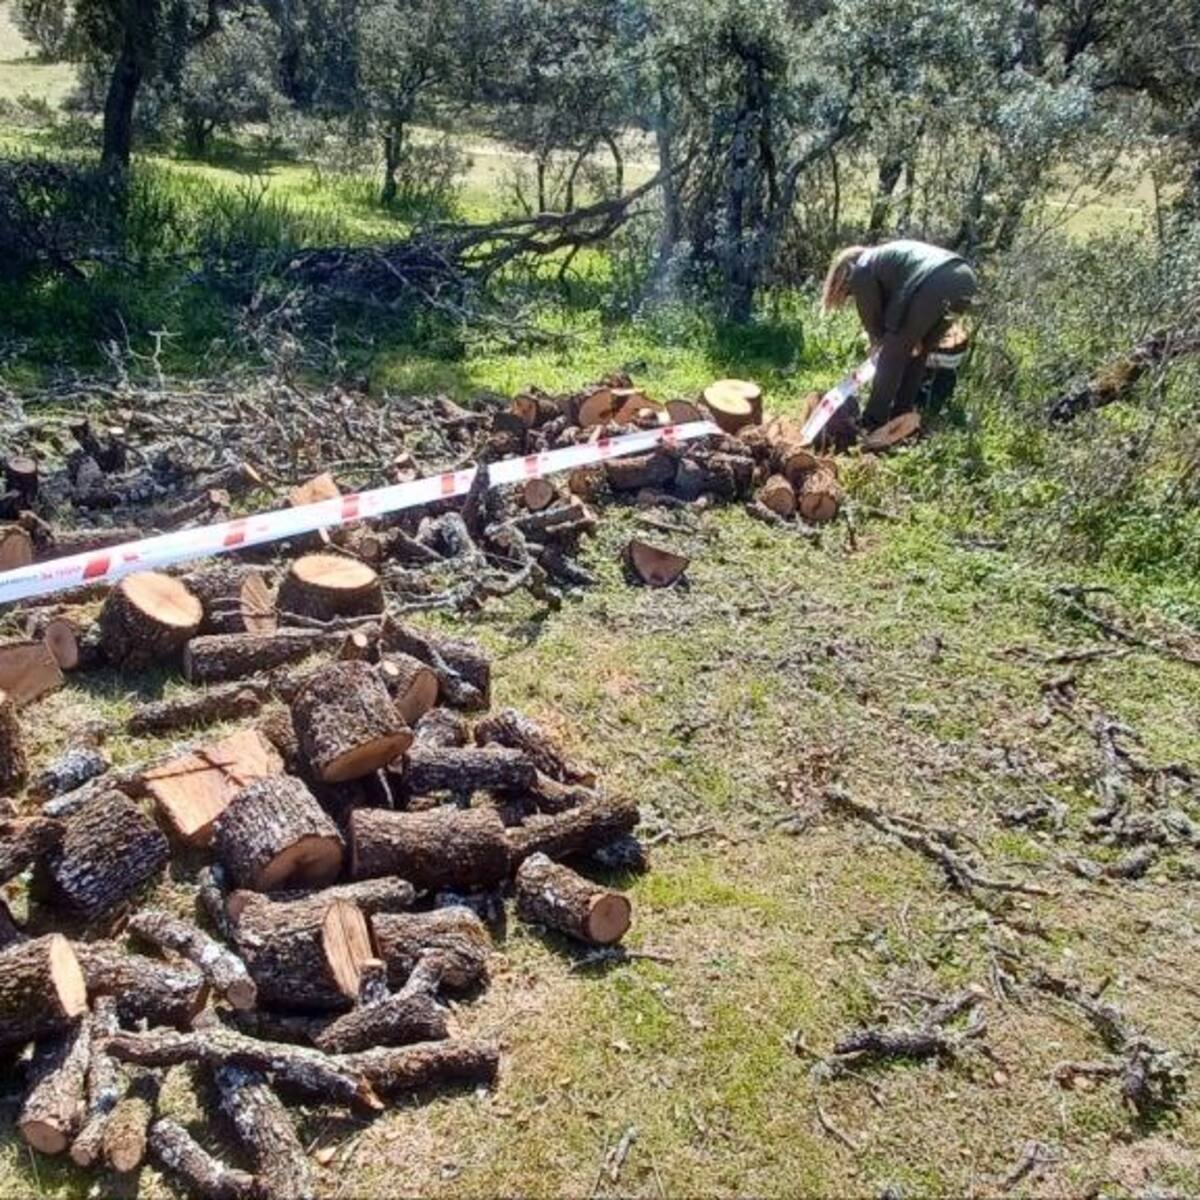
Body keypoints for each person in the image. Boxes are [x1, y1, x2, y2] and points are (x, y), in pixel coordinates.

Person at [821, 239, 977, 429]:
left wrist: (877, 342)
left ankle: (872, 422)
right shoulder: (885, 261)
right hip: (965, 279)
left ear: (844, 274)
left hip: (934, 281)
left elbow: (872, 318)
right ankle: (901, 420)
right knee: (918, 353)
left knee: (892, 353)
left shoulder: (862, 268)